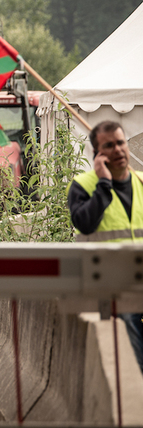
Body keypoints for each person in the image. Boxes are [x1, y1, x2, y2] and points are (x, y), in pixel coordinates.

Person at [68, 120, 143, 373]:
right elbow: (85, 223)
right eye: (109, 146)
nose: (118, 150)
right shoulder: (84, 186)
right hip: (111, 289)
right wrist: (104, 184)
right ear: (97, 154)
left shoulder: (141, 183)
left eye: (121, 143)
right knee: (135, 359)